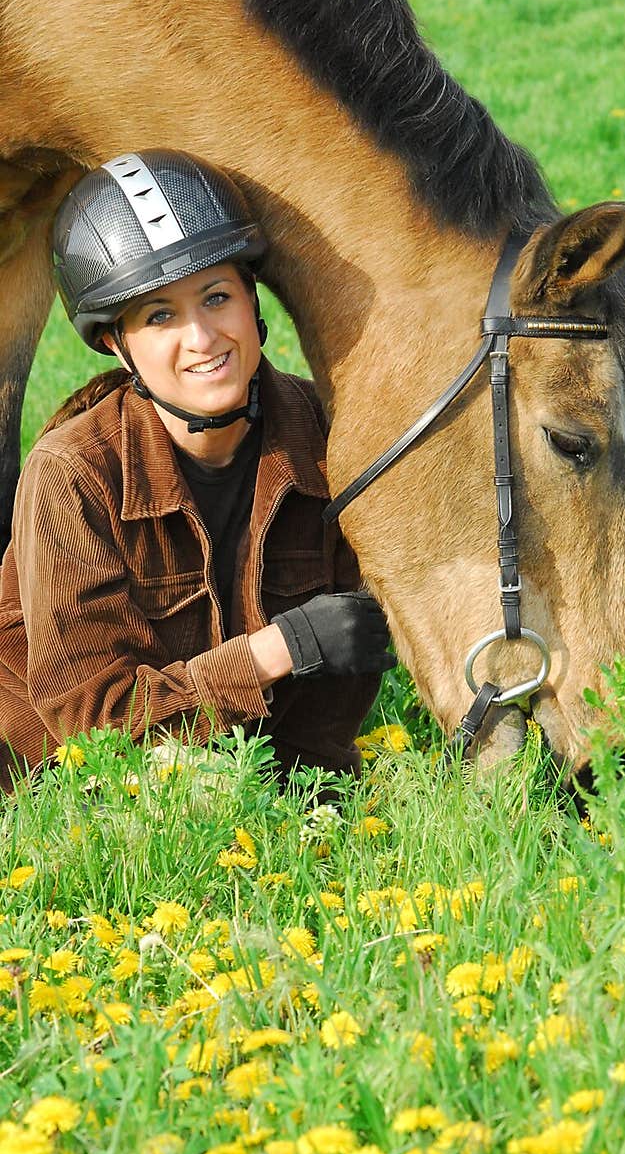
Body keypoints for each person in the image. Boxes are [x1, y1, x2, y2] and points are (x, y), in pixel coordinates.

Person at [0, 149, 394, 794]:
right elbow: (90, 724)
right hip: (66, 787)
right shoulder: (72, 473)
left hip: (262, 791)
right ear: (114, 343)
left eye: (216, 297)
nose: (203, 338)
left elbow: (329, 717)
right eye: (160, 316)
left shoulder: (333, 439)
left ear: (251, 301)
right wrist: (282, 648)